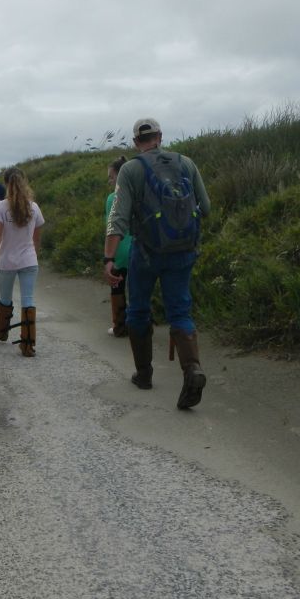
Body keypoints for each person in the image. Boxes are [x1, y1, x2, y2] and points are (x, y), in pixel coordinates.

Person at [104, 118, 211, 408]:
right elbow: (207, 207)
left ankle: (144, 374)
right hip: (183, 251)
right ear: (160, 137)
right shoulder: (186, 163)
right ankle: (193, 369)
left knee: (138, 309)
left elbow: (118, 218)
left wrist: (110, 257)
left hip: (146, 253)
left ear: (137, 142)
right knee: (180, 309)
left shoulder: (130, 169)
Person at [0, 167, 44, 357]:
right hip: (29, 260)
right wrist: (33, 255)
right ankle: (28, 344)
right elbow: (36, 238)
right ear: (24, 182)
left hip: (7, 261)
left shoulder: (1, 207)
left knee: (5, 298)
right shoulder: (34, 207)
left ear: (6, 183)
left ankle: (1, 331)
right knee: (28, 300)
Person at [105, 155, 132, 337]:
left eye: (111, 177)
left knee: (117, 287)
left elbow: (111, 227)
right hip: (138, 248)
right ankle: (139, 324)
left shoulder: (112, 198)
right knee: (137, 289)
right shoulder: (138, 195)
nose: (109, 180)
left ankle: (119, 325)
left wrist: (108, 256)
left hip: (119, 248)